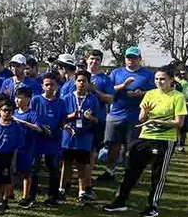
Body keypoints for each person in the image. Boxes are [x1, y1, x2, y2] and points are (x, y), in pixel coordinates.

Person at [104, 65, 187, 217]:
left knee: (158, 174)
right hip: (145, 136)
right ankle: (120, 201)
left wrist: (157, 121)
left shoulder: (178, 97)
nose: (159, 82)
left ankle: (152, 206)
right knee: (131, 169)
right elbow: (142, 118)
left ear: (171, 80)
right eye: (156, 79)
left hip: (164, 140)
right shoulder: (149, 94)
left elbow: (179, 123)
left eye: (162, 79)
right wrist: (146, 114)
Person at [99, 46, 155, 182]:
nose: (131, 60)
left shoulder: (147, 74)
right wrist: (123, 86)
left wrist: (142, 93)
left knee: (132, 148)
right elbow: (109, 90)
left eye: (134, 57)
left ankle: (129, 174)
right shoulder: (116, 73)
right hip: (116, 114)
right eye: (129, 57)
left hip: (136, 115)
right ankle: (110, 171)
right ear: (125, 59)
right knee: (113, 145)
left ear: (140, 59)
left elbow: (154, 92)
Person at [60, 70, 101, 206]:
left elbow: (97, 120)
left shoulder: (93, 99)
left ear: (89, 83)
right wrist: (73, 115)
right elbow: (61, 118)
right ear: (75, 82)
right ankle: (62, 189)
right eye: (79, 80)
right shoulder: (67, 98)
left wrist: (90, 118)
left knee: (82, 165)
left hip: (84, 136)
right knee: (66, 164)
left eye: (84, 81)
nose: (81, 83)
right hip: (69, 136)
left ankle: (82, 192)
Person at [30, 73, 67, 207]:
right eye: (46, 85)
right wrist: (39, 127)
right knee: (34, 168)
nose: (49, 87)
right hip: (38, 139)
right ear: (42, 86)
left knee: (53, 169)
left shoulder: (60, 102)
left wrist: (65, 126)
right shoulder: (36, 100)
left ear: (57, 86)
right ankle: (31, 196)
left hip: (54, 139)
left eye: (52, 84)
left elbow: (63, 120)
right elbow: (31, 117)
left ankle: (52, 197)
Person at [0, 95, 24, 215]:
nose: (7, 113)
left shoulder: (16, 127)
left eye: (9, 111)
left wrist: (13, 161)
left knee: (4, 180)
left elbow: (17, 145)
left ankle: (0, 201)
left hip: (6, 156)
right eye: (4, 110)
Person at [86, 49, 114, 188]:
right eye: (92, 58)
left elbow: (110, 99)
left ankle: (88, 178)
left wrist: (94, 90)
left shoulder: (105, 79)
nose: (94, 61)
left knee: (92, 150)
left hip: (97, 120)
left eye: (97, 59)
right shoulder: (79, 76)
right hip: (77, 119)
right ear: (86, 59)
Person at [12, 87, 42, 209]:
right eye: (16, 97)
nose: (17, 100)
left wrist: (23, 123)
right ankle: (9, 193)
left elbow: (38, 128)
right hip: (15, 146)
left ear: (28, 99)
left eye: (20, 97)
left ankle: (26, 196)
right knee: (13, 171)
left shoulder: (32, 113)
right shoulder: (13, 112)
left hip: (28, 147)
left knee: (27, 172)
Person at [174, 64, 188, 152]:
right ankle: (180, 145)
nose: (182, 75)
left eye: (184, 73)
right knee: (181, 128)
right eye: (181, 74)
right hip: (182, 107)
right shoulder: (179, 84)